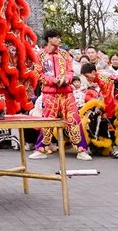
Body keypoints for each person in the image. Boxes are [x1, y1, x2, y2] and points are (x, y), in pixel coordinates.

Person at [31, 29, 91, 161]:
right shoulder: (39, 55)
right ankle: (41, 149)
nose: (59, 40)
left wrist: (67, 79)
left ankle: (82, 150)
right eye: (57, 38)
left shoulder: (64, 54)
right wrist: (53, 80)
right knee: (47, 121)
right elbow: (38, 74)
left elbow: (70, 71)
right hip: (49, 93)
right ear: (49, 39)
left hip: (66, 93)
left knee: (74, 120)